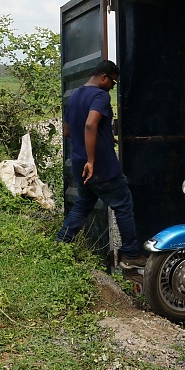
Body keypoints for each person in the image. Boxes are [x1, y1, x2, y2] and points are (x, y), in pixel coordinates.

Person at [55, 60, 146, 270]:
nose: (113, 87)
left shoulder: (76, 94)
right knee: (123, 205)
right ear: (104, 77)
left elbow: (68, 131)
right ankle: (131, 254)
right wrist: (92, 160)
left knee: (84, 204)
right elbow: (90, 124)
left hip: (79, 163)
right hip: (100, 166)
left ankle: (61, 242)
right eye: (113, 82)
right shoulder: (100, 96)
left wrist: (104, 138)